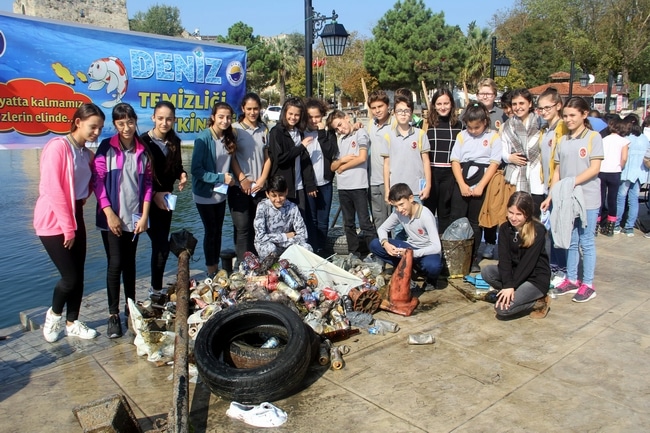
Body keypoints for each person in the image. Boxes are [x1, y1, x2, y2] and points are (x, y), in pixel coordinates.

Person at [35, 103, 105, 342]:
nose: (96, 132)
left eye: (100, 128)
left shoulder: (86, 153)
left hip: (74, 215)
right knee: (69, 277)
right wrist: (68, 228)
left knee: (80, 274)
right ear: (78, 122)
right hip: (54, 219)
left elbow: (89, 184)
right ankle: (54, 316)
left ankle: (72, 322)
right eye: (92, 127)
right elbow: (52, 189)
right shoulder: (58, 147)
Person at [94, 103, 153, 339]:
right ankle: (113, 315)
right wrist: (109, 213)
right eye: (121, 123)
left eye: (130, 122)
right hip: (112, 218)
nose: (126, 127)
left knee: (130, 264)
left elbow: (148, 185)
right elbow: (98, 183)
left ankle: (130, 310)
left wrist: (146, 216)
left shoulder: (143, 150)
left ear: (135, 121)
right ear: (115, 124)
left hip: (135, 218)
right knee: (115, 263)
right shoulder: (106, 147)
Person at [541, 97, 604, 303]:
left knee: (586, 241)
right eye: (566, 116)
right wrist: (552, 194)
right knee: (571, 240)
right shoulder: (563, 140)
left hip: (588, 198)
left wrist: (572, 182)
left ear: (584, 114)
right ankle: (572, 279)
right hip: (566, 198)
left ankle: (588, 284)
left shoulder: (593, 137)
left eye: (572, 116)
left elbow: (594, 168)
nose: (568, 120)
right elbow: (557, 170)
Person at [139, 101, 187, 296]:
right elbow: (138, 177)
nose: (164, 123)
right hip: (146, 201)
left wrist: (182, 175)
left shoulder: (174, 142)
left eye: (168, 119)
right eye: (160, 118)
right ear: (153, 118)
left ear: (174, 120)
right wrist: (154, 194)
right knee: (160, 246)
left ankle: (155, 289)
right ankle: (154, 289)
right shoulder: (143, 143)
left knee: (161, 246)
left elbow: (176, 167)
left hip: (166, 202)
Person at [481, 191, 551, 319]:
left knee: (501, 310)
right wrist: (508, 284)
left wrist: (510, 286)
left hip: (535, 278)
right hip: (515, 273)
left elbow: (527, 264)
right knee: (487, 272)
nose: (513, 218)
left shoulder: (538, 231)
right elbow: (504, 259)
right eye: (511, 213)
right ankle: (513, 294)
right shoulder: (504, 229)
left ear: (527, 214)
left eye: (519, 214)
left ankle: (538, 302)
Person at [449, 102, 502, 272]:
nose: (472, 131)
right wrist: (462, 184)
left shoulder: (493, 137)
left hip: (482, 180)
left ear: (485, 122)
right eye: (470, 127)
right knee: (457, 220)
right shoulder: (462, 136)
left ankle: (473, 259)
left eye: (476, 127)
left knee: (475, 223)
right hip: (463, 179)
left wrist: (480, 186)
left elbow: (494, 163)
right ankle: (455, 258)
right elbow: (455, 161)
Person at [191, 102, 236, 279]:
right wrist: (220, 178)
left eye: (228, 117)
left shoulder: (228, 137)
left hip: (221, 193)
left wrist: (230, 177)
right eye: (221, 117)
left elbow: (227, 163)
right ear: (213, 117)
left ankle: (216, 269)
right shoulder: (203, 138)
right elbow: (196, 170)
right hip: (205, 194)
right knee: (211, 231)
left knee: (218, 231)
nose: (225, 121)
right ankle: (211, 271)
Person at [369, 183, 442, 288]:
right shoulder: (398, 212)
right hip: (410, 247)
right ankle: (407, 268)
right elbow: (382, 229)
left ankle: (431, 280)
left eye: (402, 204)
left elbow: (437, 247)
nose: (399, 209)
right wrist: (385, 244)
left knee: (433, 266)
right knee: (375, 244)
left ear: (411, 198)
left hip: (426, 251)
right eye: (395, 206)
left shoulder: (426, 216)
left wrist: (412, 254)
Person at [229, 93, 271, 263]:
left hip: (259, 187)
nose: (253, 112)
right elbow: (230, 157)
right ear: (243, 109)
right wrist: (242, 179)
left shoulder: (264, 129)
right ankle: (242, 264)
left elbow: (268, 157)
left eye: (255, 109)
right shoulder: (234, 129)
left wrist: (262, 180)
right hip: (240, 187)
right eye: (249, 109)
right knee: (242, 227)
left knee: (258, 226)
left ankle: (256, 261)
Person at [328, 109, 377, 256]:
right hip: (343, 187)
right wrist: (342, 161)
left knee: (364, 222)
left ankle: (374, 253)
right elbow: (332, 166)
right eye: (336, 128)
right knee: (348, 223)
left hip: (358, 186)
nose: (340, 129)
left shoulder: (360, 133)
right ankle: (353, 253)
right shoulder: (340, 140)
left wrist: (343, 167)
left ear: (347, 118)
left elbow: (362, 158)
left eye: (340, 124)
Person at [475, 78, 508, 259]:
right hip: (475, 168)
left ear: (494, 95)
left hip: (495, 169)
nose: (485, 96)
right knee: (477, 207)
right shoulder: (471, 112)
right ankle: (477, 242)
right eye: (482, 93)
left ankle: (489, 242)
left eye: (488, 93)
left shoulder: (502, 114)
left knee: (493, 206)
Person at [424, 88, 464, 234]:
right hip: (431, 172)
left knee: (445, 211)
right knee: (427, 211)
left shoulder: (459, 126)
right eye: (439, 103)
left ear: (452, 104)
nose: (443, 107)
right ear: (434, 105)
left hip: (450, 173)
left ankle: (445, 245)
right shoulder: (426, 125)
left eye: (446, 103)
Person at [268, 97, 317, 215]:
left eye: (297, 115)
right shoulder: (276, 132)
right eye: (290, 114)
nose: (293, 117)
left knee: (301, 220)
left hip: (299, 186)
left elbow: (305, 160)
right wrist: (301, 147)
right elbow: (279, 158)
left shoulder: (299, 132)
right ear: (284, 113)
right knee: (283, 222)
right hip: (283, 187)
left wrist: (310, 184)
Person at [382, 94, 431, 207]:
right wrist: (387, 190)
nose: (403, 114)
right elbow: (386, 165)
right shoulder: (388, 136)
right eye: (399, 110)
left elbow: (426, 162)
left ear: (412, 113)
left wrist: (427, 186)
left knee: (417, 222)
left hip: (416, 191)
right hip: (396, 191)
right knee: (399, 224)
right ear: (394, 113)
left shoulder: (420, 134)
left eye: (407, 110)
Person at [304, 98, 338, 255]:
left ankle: (321, 250)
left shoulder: (327, 133)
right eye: (310, 117)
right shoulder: (301, 133)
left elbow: (330, 153)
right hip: (308, 184)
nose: (314, 120)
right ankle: (312, 249)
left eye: (317, 116)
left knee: (323, 220)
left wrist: (322, 133)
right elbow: (303, 162)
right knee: (311, 220)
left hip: (325, 182)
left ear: (322, 116)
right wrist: (310, 183)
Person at [501, 88, 544, 216]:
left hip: (537, 177)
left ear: (530, 104)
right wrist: (509, 158)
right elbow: (503, 150)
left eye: (521, 103)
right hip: (516, 177)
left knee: (535, 218)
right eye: (514, 104)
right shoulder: (507, 126)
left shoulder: (540, 123)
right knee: (517, 216)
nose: (518, 107)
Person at [253, 175, 312, 259]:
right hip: (269, 245)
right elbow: (260, 237)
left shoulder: (292, 207)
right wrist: (285, 236)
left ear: (286, 192)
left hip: (286, 244)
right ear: (267, 194)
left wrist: (284, 241)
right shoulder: (262, 207)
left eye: (281, 195)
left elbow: (303, 235)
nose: (278, 199)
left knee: (307, 248)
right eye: (274, 196)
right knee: (270, 249)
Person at [615, 114, 649, 236]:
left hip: (626, 172)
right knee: (633, 199)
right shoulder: (644, 138)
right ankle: (629, 227)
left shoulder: (626, 138)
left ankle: (616, 224)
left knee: (621, 198)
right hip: (640, 173)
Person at [597, 117, 629, 236]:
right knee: (612, 200)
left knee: (599, 198)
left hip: (601, 171)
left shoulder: (603, 139)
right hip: (615, 172)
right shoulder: (623, 141)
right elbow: (624, 158)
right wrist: (619, 166)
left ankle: (596, 225)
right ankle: (610, 227)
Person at [367, 90, 393, 230]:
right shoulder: (371, 124)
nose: (377, 110)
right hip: (373, 179)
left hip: (390, 179)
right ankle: (382, 248)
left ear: (387, 105)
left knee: (393, 218)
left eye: (380, 106)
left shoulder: (395, 123)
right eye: (374, 108)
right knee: (378, 218)